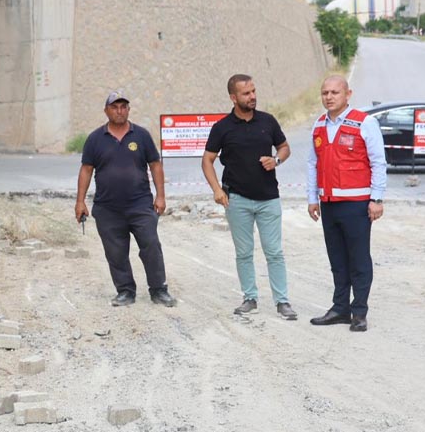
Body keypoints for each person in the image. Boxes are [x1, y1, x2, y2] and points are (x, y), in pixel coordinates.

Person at [201, 74, 298, 320]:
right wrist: (216, 190)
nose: (252, 96)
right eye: (246, 93)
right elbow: (207, 160)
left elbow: (285, 148)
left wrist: (276, 160)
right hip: (237, 200)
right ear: (233, 97)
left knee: (274, 251)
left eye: (254, 91)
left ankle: (282, 301)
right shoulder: (222, 128)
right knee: (244, 252)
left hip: (268, 198)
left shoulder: (268, 121)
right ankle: (250, 298)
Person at [75, 92, 176, 308]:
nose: (119, 110)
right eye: (115, 107)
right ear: (106, 111)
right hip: (107, 207)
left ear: (128, 110)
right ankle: (125, 291)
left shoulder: (141, 135)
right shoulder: (95, 139)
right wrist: (80, 201)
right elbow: (86, 170)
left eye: (123, 107)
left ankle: (159, 290)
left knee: (150, 245)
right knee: (115, 252)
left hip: (140, 204)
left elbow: (155, 165)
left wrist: (160, 195)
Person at [306, 76, 387, 332]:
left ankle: (359, 312)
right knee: (337, 260)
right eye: (325, 92)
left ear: (348, 94)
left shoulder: (365, 123)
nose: (329, 97)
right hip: (328, 203)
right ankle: (340, 309)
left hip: (357, 204)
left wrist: (377, 198)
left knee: (359, 259)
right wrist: (312, 198)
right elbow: (312, 164)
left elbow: (378, 162)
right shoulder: (319, 125)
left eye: (335, 92)